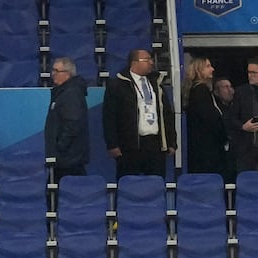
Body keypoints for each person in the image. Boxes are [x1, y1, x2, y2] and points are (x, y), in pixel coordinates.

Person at [104, 49, 174, 179]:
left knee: (156, 182)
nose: (152, 63)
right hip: (129, 145)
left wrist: (171, 141)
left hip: (154, 143)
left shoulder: (156, 83)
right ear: (134, 63)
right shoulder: (118, 85)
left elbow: (167, 114)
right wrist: (112, 144)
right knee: (128, 182)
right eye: (147, 60)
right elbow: (109, 117)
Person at [184, 57, 234, 179]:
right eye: (208, 66)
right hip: (207, 149)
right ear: (198, 69)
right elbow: (210, 118)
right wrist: (223, 136)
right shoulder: (200, 90)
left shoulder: (198, 90)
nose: (212, 69)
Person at [45, 56, 89, 179]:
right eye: (53, 70)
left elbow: (72, 124)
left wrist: (59, 147)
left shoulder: (70, 94)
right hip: (68, 157)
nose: (53, 74)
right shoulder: (65, 92)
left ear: (68, 74)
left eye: (56, 71)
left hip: (68, 158)